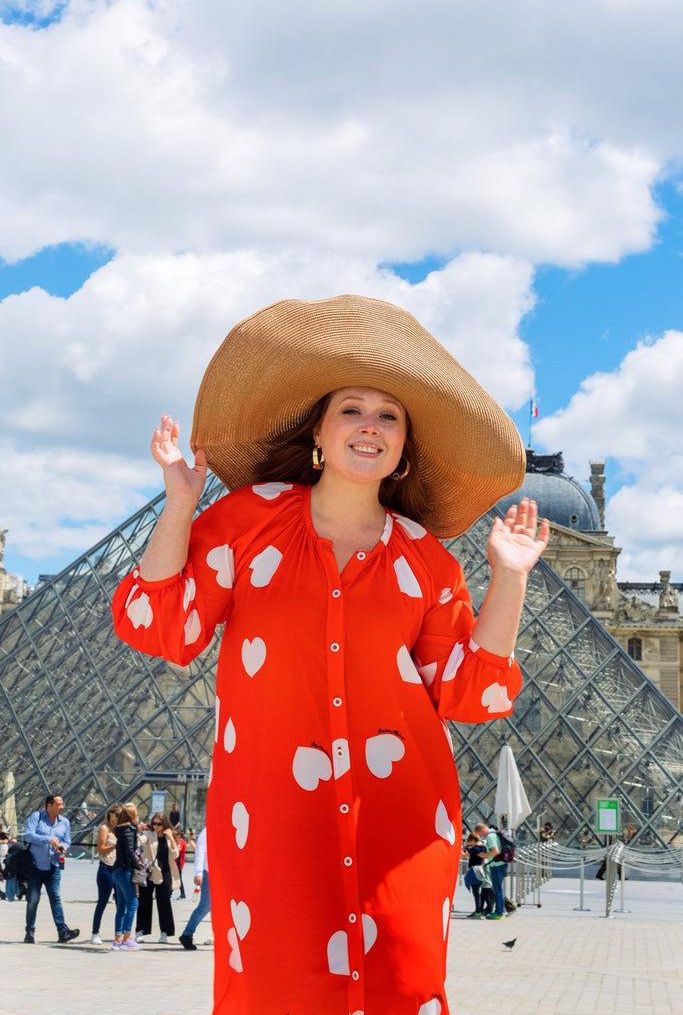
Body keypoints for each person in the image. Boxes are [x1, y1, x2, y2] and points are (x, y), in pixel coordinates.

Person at [112, 295, 548, 1014]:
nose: (370, 425)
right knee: (274, 990)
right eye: (352, 409)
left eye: (389, 416)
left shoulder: (428, 562)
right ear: (317, 430)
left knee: (400, 987)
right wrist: (180, 503)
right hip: (272, 822)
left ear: (404, 447)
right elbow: (161, 625)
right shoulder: (245, 521)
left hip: (403, 825)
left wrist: (509, 576)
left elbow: (472, 693)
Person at [23, 794, 79, 944]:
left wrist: (62, 847)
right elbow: (28, 836)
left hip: (53, 866)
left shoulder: (64, 822)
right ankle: (30, 932)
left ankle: (62, 931)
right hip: (35, 867)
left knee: (56, 899)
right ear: (49, 805)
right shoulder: (37, 817)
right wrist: (48, 840)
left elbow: (67, 840)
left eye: (62, 804)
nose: (62, 807)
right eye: (59, 804)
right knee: (33, 900)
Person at [135, 811, 180, 943]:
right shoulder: (149, 833)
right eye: (154, 823)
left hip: (165, 872)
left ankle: (164, 932)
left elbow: (175, 855)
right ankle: (140, 930)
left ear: (164, 824)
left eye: (159, 824)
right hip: (149, 871)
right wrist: (137, 831)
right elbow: (141, 841)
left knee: (164, 902)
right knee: (144, 901)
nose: (155, 826)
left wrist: (171, 837)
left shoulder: (169, 836)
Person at [112, 803, 143, 949]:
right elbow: (130, 851)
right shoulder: (129, 831)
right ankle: (126, 938)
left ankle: (117, 940)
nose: (138, 817)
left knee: (121, 906)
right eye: (136, 814)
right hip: (125, 870)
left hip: (117, 871)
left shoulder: (121, 830)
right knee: (133, 903)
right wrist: (138, 867)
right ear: (132, 816)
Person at [90, 803, 122, 944]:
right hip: (106, 869)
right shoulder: (104, 828)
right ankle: (95, 932)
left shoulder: (120, 829)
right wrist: (116, 845)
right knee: (102, 901)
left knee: (120, 903)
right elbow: (101, 849)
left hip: (118, 869)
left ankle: (119, 933)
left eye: (121, 815)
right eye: (117, 815)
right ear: (110, 814)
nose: (119, 817)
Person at [179, 826, 211, 950]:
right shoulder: (207, 831)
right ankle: (187, 935)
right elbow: (200, 852)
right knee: (205, 906)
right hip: (209, 873)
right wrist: (198, 873)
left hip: (223, 875)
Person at [476, 821, 508, 920]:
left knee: (497, 890)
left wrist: (485, 855)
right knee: (498, 889)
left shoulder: (490, 836)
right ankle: (499, 911)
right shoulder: (494, 833)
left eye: (479, 834)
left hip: (496, 865)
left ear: (482, 830)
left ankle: (499, 913)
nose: (480, 836)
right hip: (499, 864)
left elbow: (495, 851)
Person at [462, 831, 492, 918]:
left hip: (474, 870)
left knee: (475, 892)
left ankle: (478, 911)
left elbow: (463, 856)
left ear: (472, 840)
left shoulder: (473, 849)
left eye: (470, 841)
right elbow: (483, 860)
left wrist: (462, 848)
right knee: (479, 891)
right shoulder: (483, 848)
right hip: (480, 870)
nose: (470, 843)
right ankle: (481, 911)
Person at [173, 827, 187, 898]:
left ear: (179, 835)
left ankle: (183, 894)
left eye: (176, 835)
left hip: (179, 863)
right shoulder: (178, 842)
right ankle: (170, 892)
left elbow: (178, 849)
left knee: (178, 879)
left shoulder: (181, 842)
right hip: (175, 863)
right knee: (174, 878)